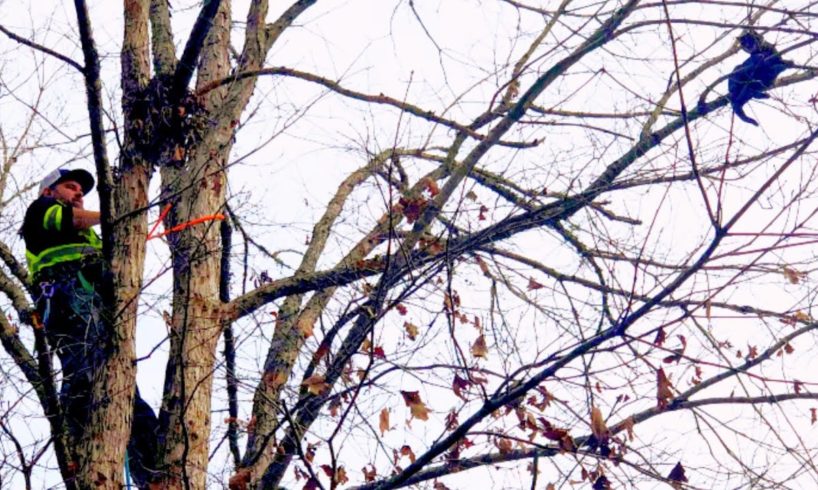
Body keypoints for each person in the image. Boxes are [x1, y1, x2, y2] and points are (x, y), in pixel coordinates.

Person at [22, 168, 158, 488]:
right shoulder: (41, 210)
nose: (78, 193)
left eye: (81, 190)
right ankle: (78, 441)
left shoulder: (89, 235)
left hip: (94, 306)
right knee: (82, 372)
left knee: (121, 385)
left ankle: (151, 469)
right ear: (49, 192)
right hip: (65, 297)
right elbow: (69, 220)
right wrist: (116, 214)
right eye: (70, 187)